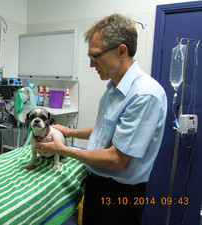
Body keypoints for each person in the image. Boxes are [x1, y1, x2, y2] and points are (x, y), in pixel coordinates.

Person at [35, 13, 167, 225]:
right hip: (97, 184)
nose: (91, 64)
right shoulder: (114, 88)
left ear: (121, 51)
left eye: (95, 56)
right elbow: (106, 129)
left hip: (120, 196)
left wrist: (62, 150)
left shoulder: (144, 94)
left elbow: (116, 160)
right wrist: (69, 132)